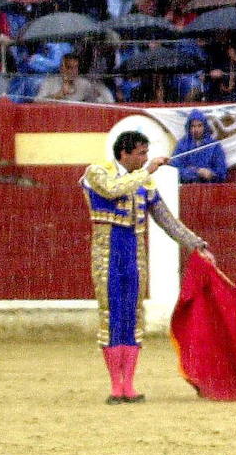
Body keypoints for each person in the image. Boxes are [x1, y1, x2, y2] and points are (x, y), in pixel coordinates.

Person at [82, 130, 213, 403]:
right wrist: (148, 171)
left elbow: (167, 220)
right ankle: (115, 386)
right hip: (107, 256)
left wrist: (196, 245)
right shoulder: (97, 173)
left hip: (134, 256)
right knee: (111, 317)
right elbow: (113, 189)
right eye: (141, 153)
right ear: (124, 153)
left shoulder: (146, 184)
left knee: (132, 318)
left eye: (146, 153)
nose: (145, 159)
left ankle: (128, 386)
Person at [171, 110, 229, 183]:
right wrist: (195, 172)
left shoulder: (214, 146)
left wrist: (211, 174)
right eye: (193, 126)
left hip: (209, 189)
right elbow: (174, 170)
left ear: (205, 126)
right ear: (189, 127)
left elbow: (222, 172)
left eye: (199, 125)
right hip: (186, 188)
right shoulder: (181, 145)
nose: (196, 130)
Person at [35, 51, 114, 103]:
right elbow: (36, 103)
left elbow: (100, 101)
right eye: (69, 67)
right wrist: (59, 95)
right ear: (62, 68)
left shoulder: (84, 84)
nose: (73, 71)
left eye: (75, 67)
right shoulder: (49, 82)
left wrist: (97, 94)